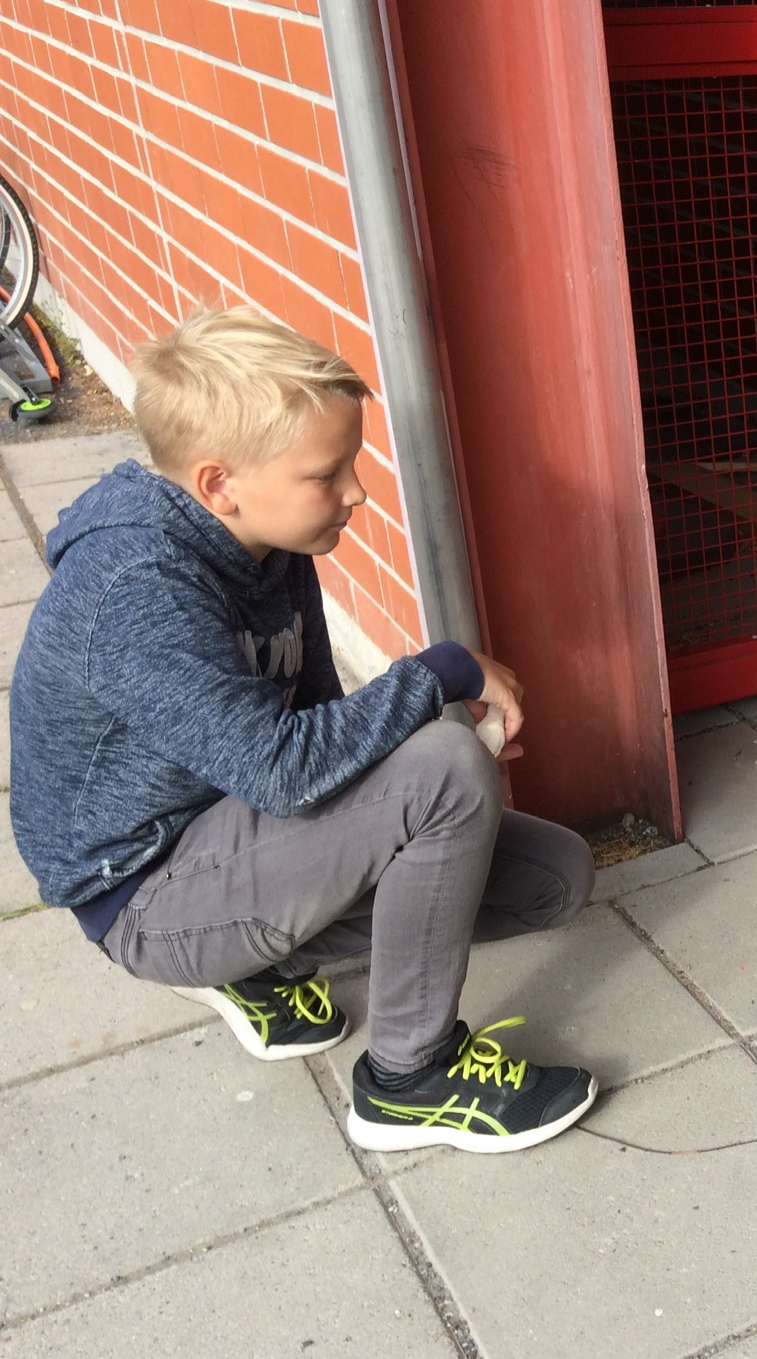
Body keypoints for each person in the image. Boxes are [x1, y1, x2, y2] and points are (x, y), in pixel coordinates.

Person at [8, 309, 598, 1154]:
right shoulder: (136, 588)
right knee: (440, 770)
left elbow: (313, 724)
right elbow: (286, 772)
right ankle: (407, 1080)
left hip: (234, 831)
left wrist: (425, 772)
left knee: (553, 880)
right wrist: (441, 677)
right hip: (146, 895)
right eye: (327, 473)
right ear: (220, 484)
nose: (356, 492)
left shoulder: (268, 547)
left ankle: (257, 964)